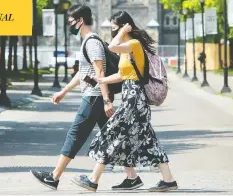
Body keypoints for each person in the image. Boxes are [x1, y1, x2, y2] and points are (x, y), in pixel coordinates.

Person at [71, 11, 178, 193]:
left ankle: (93, 180)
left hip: (135, 99)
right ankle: (165, 180)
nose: (113, 31)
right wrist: (101, 80)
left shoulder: (133, 44)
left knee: (112, 134)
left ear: (124, 26)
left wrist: (122, 33)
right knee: (148, 141)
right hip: (132, 98)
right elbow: (123, 75)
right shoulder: (127, 49)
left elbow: (112, 47)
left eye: (115, 28)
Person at [30, 4, 119, 190]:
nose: (69, 24)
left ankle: (54, 177)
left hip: (94, 97)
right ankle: (132, 176)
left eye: (71, 21)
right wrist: (64, 92)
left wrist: (106, 100)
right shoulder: (87, 41)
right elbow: (83, 73)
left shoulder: (92, 42)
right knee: (113, 137)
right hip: (95, 96)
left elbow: (99, 71)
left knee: (75, 135)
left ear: (80, 21)